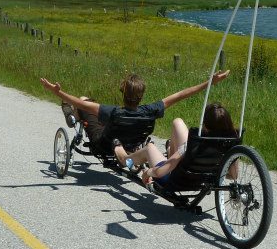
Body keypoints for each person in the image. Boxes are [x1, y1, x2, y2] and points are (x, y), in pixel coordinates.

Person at [39, 70, 230, 156]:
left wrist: (57, 92)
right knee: (94, 109)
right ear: (141, 95)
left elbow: (78, 102)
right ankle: (74, 115)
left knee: (84, 102)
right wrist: (209, 82)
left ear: (123, 93)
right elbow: (181, 95)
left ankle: (72, 117)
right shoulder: (150, 111)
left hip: (103, 145)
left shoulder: (113, 111)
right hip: (132, 143)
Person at [131, 103, 238, 188]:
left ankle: (125, 159)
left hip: (174, 180)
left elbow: (159, 172)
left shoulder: (194, 145)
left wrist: (148, 172)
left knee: (149, 148)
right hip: (202, 180)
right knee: (177, 122)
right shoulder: (230, 144)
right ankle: (170, 151)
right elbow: (233, 175)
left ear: (205, 125)